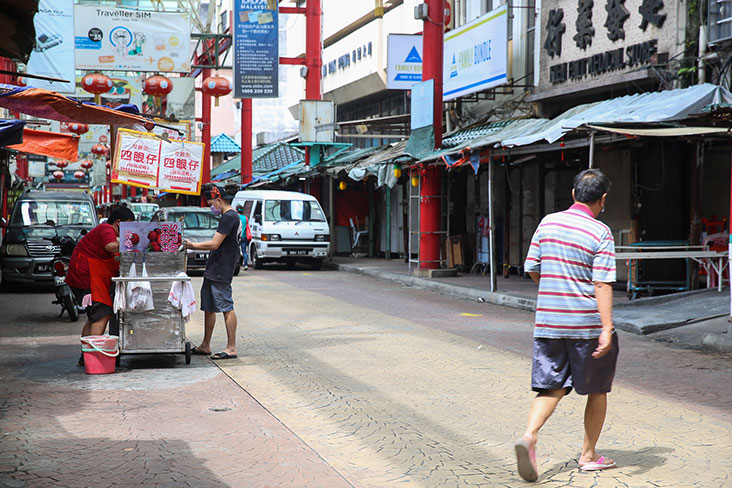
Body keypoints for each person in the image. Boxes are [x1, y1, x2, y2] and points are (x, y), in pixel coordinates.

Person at [515, 168, 619, 482]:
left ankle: (530, 435)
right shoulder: (600, 232)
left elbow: (532, 267)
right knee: (597, 389)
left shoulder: (548, 222)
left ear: (573, 194)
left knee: (552, 387)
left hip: (548, 322)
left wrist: (555, 288)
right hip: (585, 326)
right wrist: (606, 328)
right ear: (602, 200)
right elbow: (602, 284)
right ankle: (588, 455)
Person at [66, 206, 135, 365]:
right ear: (119, 223)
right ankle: (94, 357)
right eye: (128, 226)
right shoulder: (106, 229)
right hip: (87, 277)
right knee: (101, 314)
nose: (129, 231)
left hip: (87, 276)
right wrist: (133, 243)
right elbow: (110, 246)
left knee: (93, 318)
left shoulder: (106, 230)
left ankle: (85, 356)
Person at [184, 184, 241, 360]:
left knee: (225, 306)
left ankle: (231, 347)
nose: (211, 207)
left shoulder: (229, 217)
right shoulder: (228, 216)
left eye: (211, 203)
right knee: (209, 307)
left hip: (222, 268)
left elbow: (215, 243)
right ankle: (205, 345)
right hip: (214, 267)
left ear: (219, 199)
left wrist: (192, 245)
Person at [237, 205, 249, 270]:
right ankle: (246, 264)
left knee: (236, 250)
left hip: (238, 236)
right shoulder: (245, 218)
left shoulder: (236, 217)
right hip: (244, 236)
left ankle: (237, 263)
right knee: (244, 251)